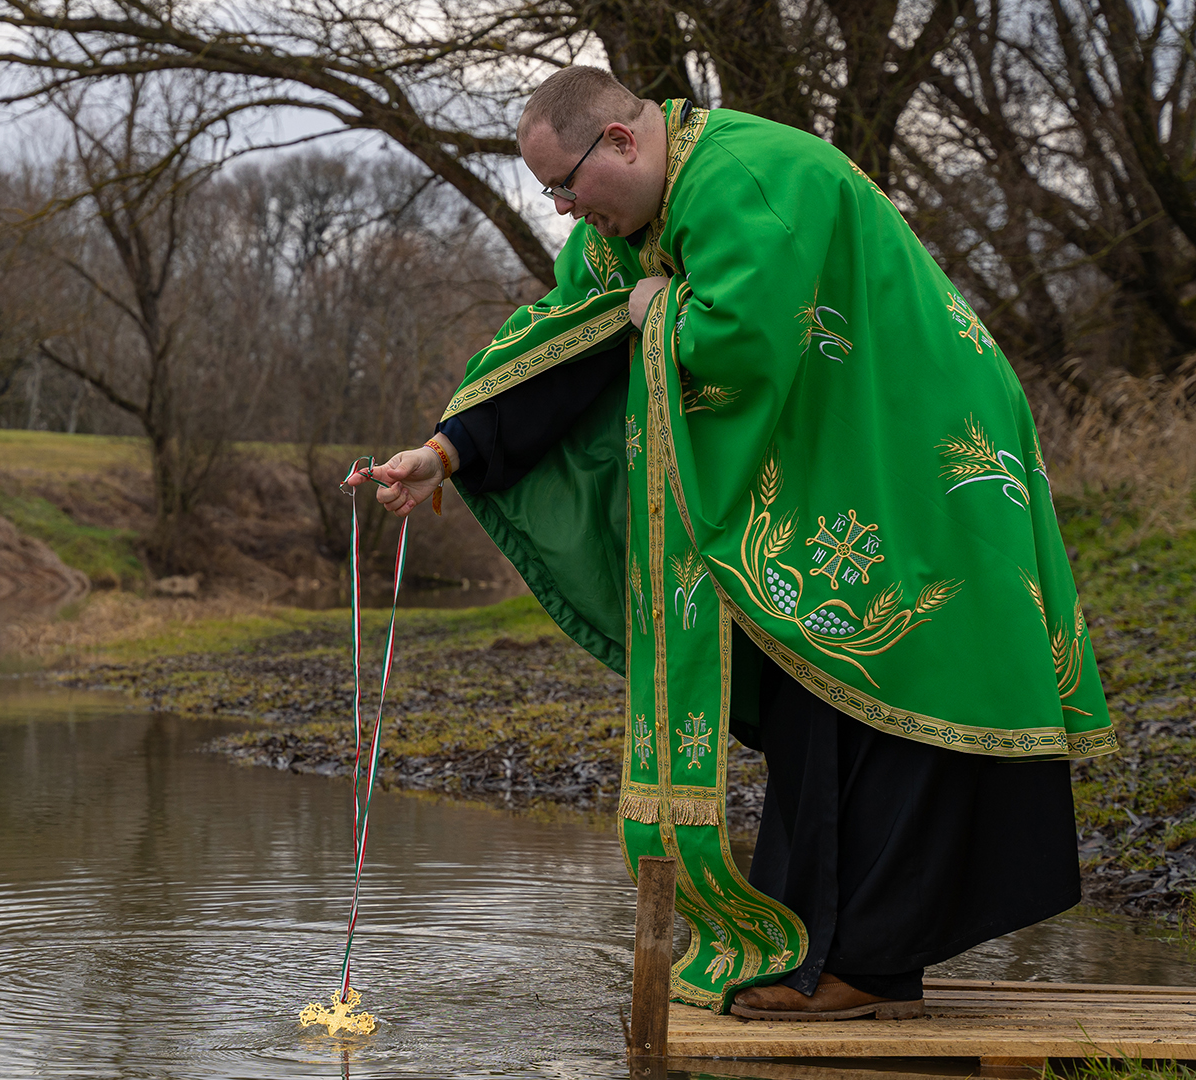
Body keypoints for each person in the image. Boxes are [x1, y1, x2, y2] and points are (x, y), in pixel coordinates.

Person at [352, 66, 1116, 1019]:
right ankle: (815, 948)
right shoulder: (636, 220)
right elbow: (565, 336)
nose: (562, 212)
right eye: (547, 194)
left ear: (621, 144)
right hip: (832, 462)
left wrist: (651, 309)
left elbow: (737, 342)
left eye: (566, 187)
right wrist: (442, 453)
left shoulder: (748, 179)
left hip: (916, 451)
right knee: (814, 694)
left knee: (900, 674)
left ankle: (863, 967)